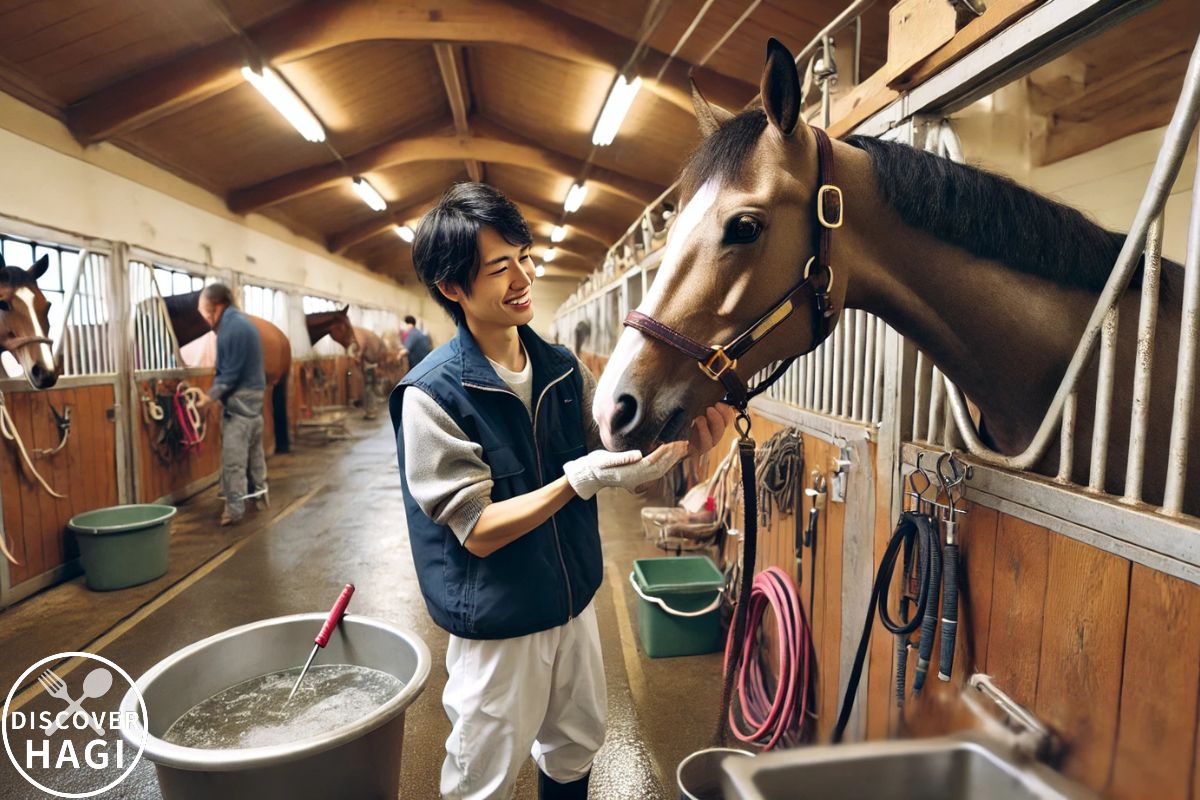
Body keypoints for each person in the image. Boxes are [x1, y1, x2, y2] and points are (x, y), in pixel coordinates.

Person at [389, 183, 732, 800]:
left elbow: (617, 457)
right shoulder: (432, 396)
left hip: (571, 600)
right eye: (500, 267)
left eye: (524, 256)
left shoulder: (563, 368)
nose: (522, 277)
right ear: (452, 288)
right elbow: (479, 528)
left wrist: (686, 448)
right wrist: (575, 481)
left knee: (575, 742)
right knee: (483, 774)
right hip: (498, 621)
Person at [195, 283, 267, 526]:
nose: (205, 318)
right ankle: (260, 496)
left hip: (240, 404)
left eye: (205, 311)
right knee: (256, 455)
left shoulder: (230, 329)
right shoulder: (243, 322)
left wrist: (209, 396)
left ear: (217, 306)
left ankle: (234, 510)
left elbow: (229, 374)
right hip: (256, 403)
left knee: (233, 460)